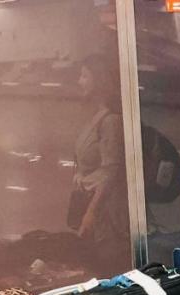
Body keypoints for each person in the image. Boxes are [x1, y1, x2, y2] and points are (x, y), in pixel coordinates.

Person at [71, 55, 128, 255]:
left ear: (100, 80)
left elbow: (110, 172)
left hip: (108, 215)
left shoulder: (110, 121)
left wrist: (90, 213)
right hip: (95, 207)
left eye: (85, 76)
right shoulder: (96, 117)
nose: (80, 81)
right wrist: (81, 174)